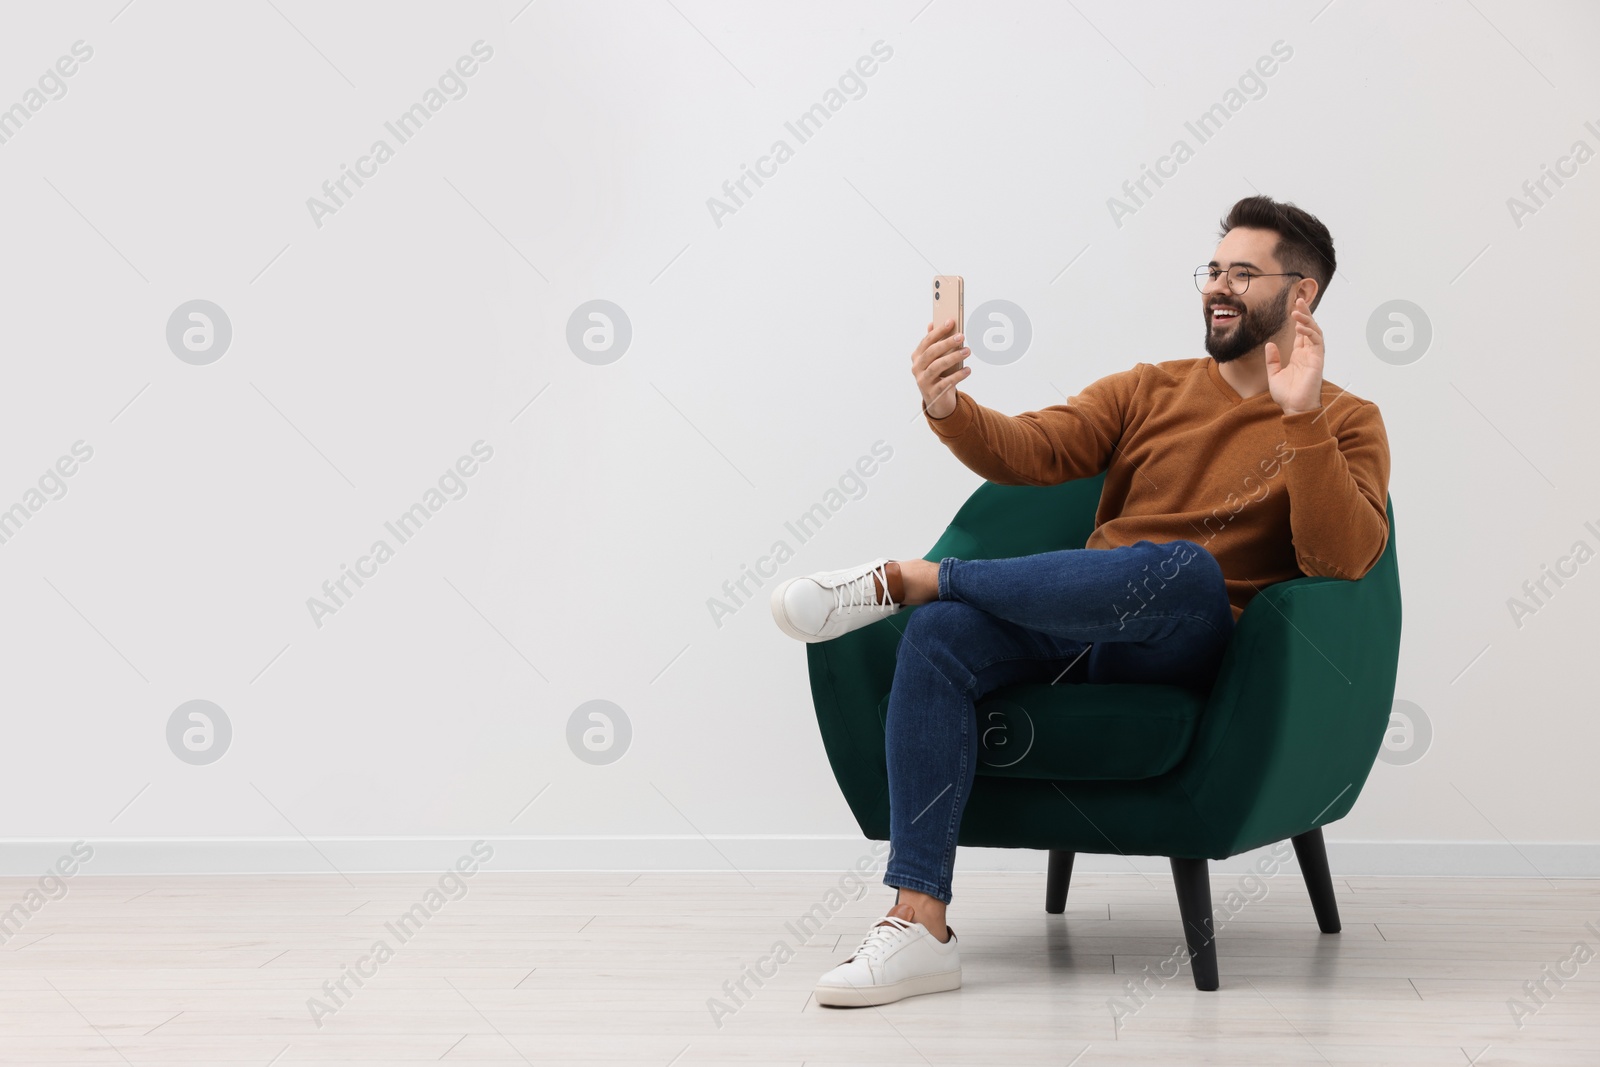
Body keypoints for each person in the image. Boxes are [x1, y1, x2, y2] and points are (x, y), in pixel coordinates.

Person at [770, 195, 1391, 1008]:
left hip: (1196, 641)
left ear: (1301, 295)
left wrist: (1301, 415)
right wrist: (946, 405)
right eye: (1213, 269)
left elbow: (1340, 557)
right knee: (942, 635)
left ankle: (918, 575)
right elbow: (1033, 448)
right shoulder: (1150, 389)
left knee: (1185, 570)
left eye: (1244, 272)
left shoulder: (1347, 418)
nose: (1217, 286)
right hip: (1079, 621)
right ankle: (919, 923)